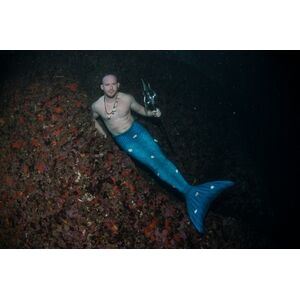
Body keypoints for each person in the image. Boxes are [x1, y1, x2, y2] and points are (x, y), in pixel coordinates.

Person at [91, 74, 234, 234]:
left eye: (113, 84)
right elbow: (93, 118)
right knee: (153, 165)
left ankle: (190, 190)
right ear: (102, 87)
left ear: (118, 85)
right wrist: (101, 131)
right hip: (124, 139)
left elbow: (141, 110)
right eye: (107, 85)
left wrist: (153, 113)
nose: (110, 87)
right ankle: (189, 192)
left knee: (161, 159)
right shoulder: (97, 106)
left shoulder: (127, 98)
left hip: (137, 130)